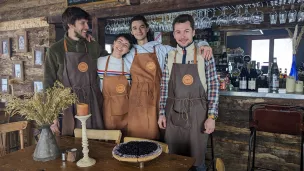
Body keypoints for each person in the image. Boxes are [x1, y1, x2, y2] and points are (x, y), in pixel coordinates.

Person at [124, 15, 213, 140]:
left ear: (148, 29)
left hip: (157, 96)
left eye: (142, 27)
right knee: (138, 135)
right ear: (131, 32)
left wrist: (203, 43)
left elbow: (185, 47)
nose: (138, 31)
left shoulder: (161, 49)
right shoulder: (128, 52)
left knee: (159, 136)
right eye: (135, 28)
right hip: (137, 99)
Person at [158, 14, 219, 171]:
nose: (182, 36)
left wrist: (211, 117)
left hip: (197, 112)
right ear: (173, 34)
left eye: (186, 31)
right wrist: (161, 113)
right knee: (173, 159)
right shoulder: (169, 56)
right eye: (178, 32)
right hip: (173, 111)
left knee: (197, 161)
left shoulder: (204, 54)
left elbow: (213, 86)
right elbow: (164, 85)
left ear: (193, 32)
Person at [44, 7, 104, 136]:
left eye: (87, 23)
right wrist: (52, 116)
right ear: (70, 25)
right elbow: (48, 84)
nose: (87, 27)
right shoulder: (55, 50)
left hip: (93, 101)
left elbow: (111, 63)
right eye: (82, 23)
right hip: (68, 104)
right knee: (72, 142)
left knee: (97, 142)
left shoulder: (92, 45)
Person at [97, 34, 132, 136]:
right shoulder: (100, 61)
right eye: (119, 42)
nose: (121, 46)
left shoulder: (129, 65)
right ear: (113, 43)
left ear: (128, 51)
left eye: (126, 45)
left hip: (125, 108)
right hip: (106, 107)